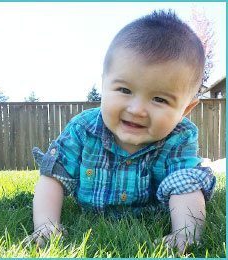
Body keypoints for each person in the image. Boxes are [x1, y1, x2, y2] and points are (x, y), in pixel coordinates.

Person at [25, 10, 216, 252]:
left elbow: (185, 185)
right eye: (124, 90)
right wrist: (46, 224)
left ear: (185, 109)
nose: (136, 110)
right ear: (104, 84)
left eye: (159, 99)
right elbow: (53, 177)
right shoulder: (83, 129)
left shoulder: (179, 136)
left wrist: (185, 233)